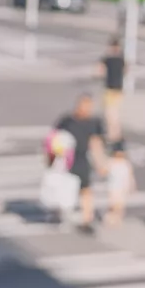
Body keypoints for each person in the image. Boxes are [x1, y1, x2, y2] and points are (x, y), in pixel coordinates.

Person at [54, 94, 107, 234]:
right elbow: (55, 139)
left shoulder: (94, 123)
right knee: (66, 189)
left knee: (86, 190)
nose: (86, 109)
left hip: (83, 159)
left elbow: (96, 143)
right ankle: (63, 215)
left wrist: (100, 163)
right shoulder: (67, 121)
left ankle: (86, 219)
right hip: (67, 159)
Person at [98, 37, 127, 144]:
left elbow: (100, 71)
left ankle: (112, 135)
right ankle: (117, 133)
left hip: (109, 88)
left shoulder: (107, 59)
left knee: (110, 113)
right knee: (116, 112)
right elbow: (126, 70)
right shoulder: (121, 59)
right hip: (119, 88)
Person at [105, 142, 136, 227]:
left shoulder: (126, 163)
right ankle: (110, 218)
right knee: (113, 204)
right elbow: (105, 171)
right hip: (113, 186)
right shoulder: (111, 162)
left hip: (123, 186)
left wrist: (132, 186)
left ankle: (118, 219)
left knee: (121, 204)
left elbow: (130, 175)